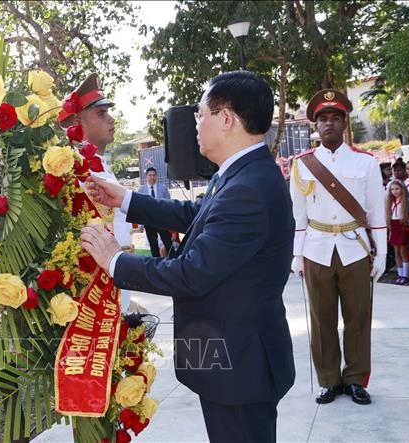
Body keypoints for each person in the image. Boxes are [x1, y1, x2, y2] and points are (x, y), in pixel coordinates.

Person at [81, 71, 295, 442]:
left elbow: (191, 273)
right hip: (231, 353)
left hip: (240, 363)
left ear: (226, 119)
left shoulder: (249, 187)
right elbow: (195, 216)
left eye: (201, 114)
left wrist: (115, 259)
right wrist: (126, 199)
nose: (196, 123)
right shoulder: (241, 173)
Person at [290, 89, 386, 406]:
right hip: (317, 249)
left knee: (358, 317)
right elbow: (298, 216)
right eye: (323, 119)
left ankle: (356, 378)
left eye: (335, 118)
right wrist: (296, 253)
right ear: (315, 126)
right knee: (322, 319)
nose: (329, 124)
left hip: (355, 249)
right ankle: (330, 380)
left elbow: (375, 211)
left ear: (345, 123)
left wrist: (382, 252)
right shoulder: (302, 165)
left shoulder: (366, 163)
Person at [57, 73, 134, 312]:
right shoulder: (75, 173)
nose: (111, 119)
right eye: (101, 114)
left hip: (116, 281)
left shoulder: (100, 167)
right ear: (77, 126)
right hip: (96, 291)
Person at [137, 167, 173, 257]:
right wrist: (140, 224)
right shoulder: (141, 190)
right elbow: (140, 208)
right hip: (148, 221)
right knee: (153, 245)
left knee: (168, 243)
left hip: (161, 221)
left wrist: (170, 219)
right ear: (146, 177)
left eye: (154, 175)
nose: (152, 177)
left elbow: (169, 203)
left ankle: (174, 260)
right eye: (150, 175)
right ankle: (156, 265)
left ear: (156, 176)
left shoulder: (163, 188)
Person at [387, 180, 409, 285]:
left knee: (403, 251)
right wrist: (390, 231)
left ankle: (406, 275)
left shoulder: (406, 201)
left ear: (402, 189)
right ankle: (400, 274)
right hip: (394, 227)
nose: (395, 191)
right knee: (396, 252)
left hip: (402, 226)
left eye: (397, 189)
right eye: (392, 189)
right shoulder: (391, 202)